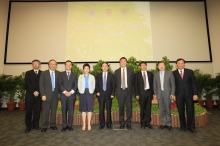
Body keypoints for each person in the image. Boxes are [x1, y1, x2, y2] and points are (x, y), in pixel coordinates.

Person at [173, 58, 198, 133]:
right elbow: (173, 85)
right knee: (181, 111)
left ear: (184, 64)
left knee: (190, 110)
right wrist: (173, 94)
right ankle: (183, 126)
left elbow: (194, 83)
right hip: (178, 95)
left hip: (189, 94)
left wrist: (195, 94)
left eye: (182, 63)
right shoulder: (173, 73)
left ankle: (191, 127)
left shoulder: (190, 72)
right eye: (179, 63)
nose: (180, 64)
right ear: (176, 65)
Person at [153, 61, 175, 131]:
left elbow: (173, 84)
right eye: (160, 65)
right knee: (162, 109)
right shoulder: (155, 74)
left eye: (163, 65)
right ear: (158, 67)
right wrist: (155, 94)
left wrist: (172, 93)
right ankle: (163, 123)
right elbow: (154, 85)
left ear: (165, 66)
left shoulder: (170, 73)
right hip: (159, 94)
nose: (161, 66)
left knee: (167, 109)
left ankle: (169, 124)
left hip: (167, 94)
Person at [39, 59, 60, 132]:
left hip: (55, 95)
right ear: (49, 65)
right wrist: (43, 94)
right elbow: (41, 85)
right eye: (51, 64)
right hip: (46, 95)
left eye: (54, 64)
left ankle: (53, 125)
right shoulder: (44, 73)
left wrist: (59, 94)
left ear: (56, 66)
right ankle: (44, 126)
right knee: (46, 111)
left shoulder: (58, 73)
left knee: (54, 110)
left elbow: (59, 85)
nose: (53, 65)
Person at [114, 57, 134, 130]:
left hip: (128, 91)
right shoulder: (116, 72)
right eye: (121, 61)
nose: (123, 62)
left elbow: (132, 82)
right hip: (120, 91)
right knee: (121, 108)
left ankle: (128, 123)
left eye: (124, 61)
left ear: (126, 62)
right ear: (120, 63)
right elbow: (115, 83)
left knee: (129, 108)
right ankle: (122, 123)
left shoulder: (131, 71)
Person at [58, 60, 77, 132]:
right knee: (64, 110)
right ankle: (64, 125)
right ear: (65, 66)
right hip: (63, 95)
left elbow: (76, 84)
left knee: (71, 111)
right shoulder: (61, 74)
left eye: (70, 65)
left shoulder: (74, 74)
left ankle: (69, 125)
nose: (68, 66)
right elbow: (59, 84)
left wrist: (71, 92)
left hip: (71, 96)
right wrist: (65, 92)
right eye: (67, 65)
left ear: (71, 66)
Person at [135, 61, 154, 129]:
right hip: (141, 93)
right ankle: (142, 122)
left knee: (148, 108)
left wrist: (153, 93)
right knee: (142, 108)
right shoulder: (137, 74)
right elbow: (136, 85)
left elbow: (152, 84)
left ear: (146, 66)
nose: (143, 66)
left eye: (144, 65)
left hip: (149, 93)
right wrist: (137, 94)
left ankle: (148, 122)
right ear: (140, 67)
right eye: (142, 65)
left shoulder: (150, 74)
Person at [24, 59, 42, 133]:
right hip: (30, 95)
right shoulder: (28, 73)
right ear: (32, 65)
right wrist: (33, 91)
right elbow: (27, 83)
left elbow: (42, 84)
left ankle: (35, 125)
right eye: (33, 64)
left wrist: (38, 91)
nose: (35, 65)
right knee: (28, 110)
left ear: (39, 65)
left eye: (37, 63)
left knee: (37, 110)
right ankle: (28, 126)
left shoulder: (42, 73)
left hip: (38, 94)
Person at [96, 62, 115, 129]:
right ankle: (102, 124)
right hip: (101, 95)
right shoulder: (98, 75)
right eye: (103, 66)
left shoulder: (111, 75)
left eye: (106, 66)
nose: (104, 67)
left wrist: (113, 93)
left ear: (108, 67)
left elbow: (113, 85)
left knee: (108, 109)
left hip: (109, 95)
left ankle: (109, 124)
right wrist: (97, 91)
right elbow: (96, 85)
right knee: (101, 110)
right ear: (101, 67)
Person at [78, 63, 95, 131]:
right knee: (83, 109)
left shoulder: (92, 77)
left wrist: (91, 91)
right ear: (83, 69)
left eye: (88, 68)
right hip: (83, 93)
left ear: (89, 69)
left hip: (90, 93)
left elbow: (93, 85)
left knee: (90, 109)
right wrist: (81, 91)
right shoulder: (80, 77)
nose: (86, 69)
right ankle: (84, 123)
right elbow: (79, 85)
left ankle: (89, 124)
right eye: (85, 68)